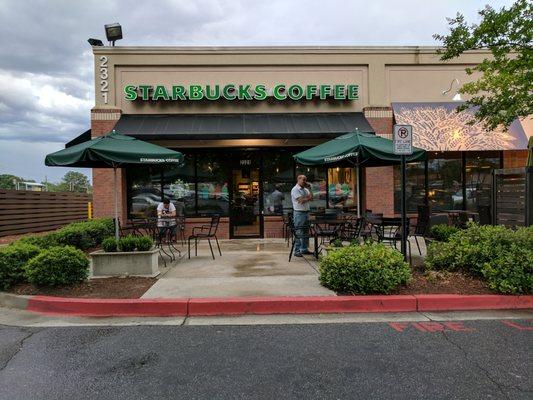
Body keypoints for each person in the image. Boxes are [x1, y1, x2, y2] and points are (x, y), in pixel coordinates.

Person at [291, 175, 313, 257]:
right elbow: (301, 201)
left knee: (306, 232)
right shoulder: (295, 189)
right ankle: (296, 250)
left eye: (306, 180)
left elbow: (312, 197)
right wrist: (307, 198)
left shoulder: (306, 189)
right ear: (298, 179)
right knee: (299, 232)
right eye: (303, 180)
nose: (305, 181)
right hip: (299, 213)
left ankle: (304, 249)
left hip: (306, 212)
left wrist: (310, 189)